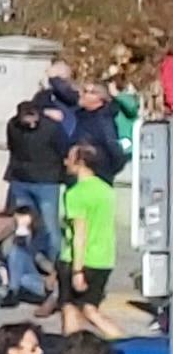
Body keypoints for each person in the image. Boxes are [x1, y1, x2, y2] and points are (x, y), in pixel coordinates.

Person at [54, 142, 120, 337]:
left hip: (80, 259)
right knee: (90, 309)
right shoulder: (106, 190)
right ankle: (123, 342)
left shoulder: (76, 193)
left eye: (70, 158)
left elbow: (79, 235)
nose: (66, 162)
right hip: (104, 258)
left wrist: (77, 270)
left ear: (80, 162)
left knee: (69, 309)